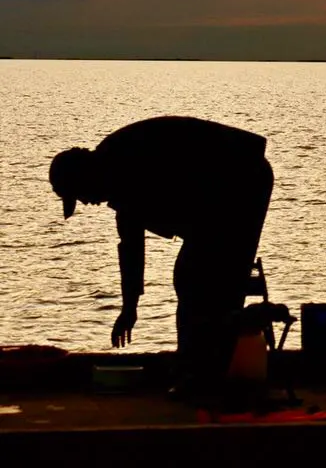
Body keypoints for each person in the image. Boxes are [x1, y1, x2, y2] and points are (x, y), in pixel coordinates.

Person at [49, 116, 275, 391]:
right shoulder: (115, 171)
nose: (87, 202)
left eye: (80, 194)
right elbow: (131, 247)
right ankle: (203, 370)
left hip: (243, 178)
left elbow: (136, 243)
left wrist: (130, 307)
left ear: (85, 175)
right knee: (197, 279)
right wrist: (130, 307)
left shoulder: (124, 167)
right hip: (220, 192)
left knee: (206, 280)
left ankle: (209, 375)